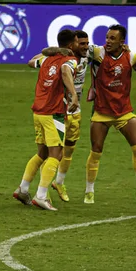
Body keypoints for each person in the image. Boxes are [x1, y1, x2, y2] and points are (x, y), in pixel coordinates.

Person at [84, 24, 136, 205]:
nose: (108, 41)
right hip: (102, 112)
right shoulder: (97, 53)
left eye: (112, 38)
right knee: (96, 152)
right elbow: (74, 49)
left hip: (124, 111)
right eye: (107, 37)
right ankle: (89, 191)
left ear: (122, 42)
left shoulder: (130, 56)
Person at [13, 29, 79, 211]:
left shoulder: (46, 59)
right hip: (53, 112)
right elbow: (65, 72)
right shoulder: (70, 60)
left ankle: (23, 189)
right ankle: (41, 195)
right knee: (56, 154)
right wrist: (74, 95)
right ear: (71, 44)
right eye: (75, 42)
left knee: (42, 153)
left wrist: (51, 51)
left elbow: (31, 61)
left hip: (38, 112)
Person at [41, 30, 91, 202]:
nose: (85, 47)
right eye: (81, 43)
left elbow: (108, 50)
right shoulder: (63, 58)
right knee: (53, 152)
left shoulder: (88, 54)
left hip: (75, 111)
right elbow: (39, 56)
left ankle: (59, 182)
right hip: (58, 110)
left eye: (86, 44)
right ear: (73, 44)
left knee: (69, 148)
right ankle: (43, 190)